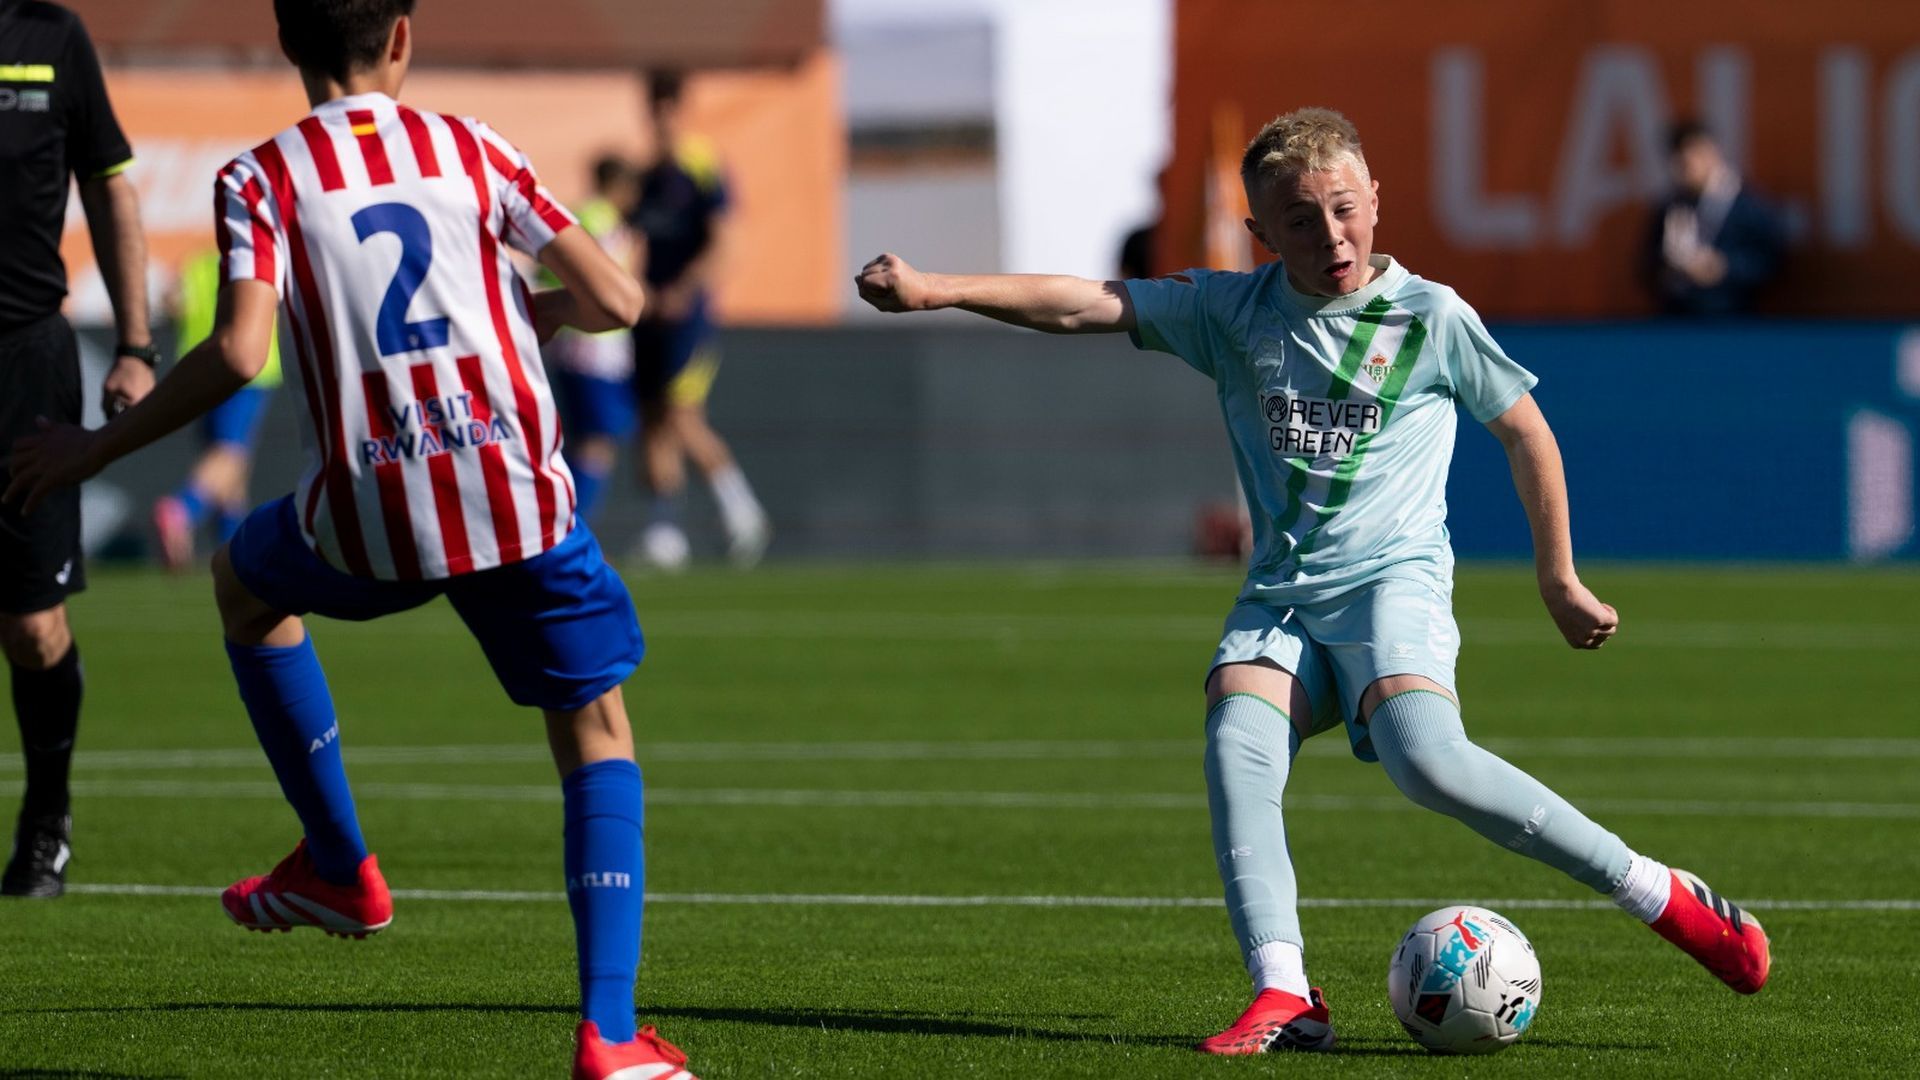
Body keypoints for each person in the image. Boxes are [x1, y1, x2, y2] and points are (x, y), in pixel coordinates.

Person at [856, 107, 1770, 1055]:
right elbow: (1088, 301)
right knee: (1236, 740)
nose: (1329, 235)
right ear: (1261, 232)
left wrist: (1558, 577)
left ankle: (1664, 896)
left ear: (1376, 200)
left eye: (1343, 209)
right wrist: (936, 290)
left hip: (1391, 589)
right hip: (1283, 597)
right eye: (1299, 219)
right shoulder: (1232, 310)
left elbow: (1525, 429)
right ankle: (1287, 993)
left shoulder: (1432, 316)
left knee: (1429, 761)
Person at [4, 3, 696, 1077]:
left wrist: (93, 451)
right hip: (510, 498)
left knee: (243, 584)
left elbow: (238, 354)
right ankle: (609, 1036)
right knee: (595, 731)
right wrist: (543, 314)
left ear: (289, 44)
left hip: (366, 514)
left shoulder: (262, 177)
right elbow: (620, 297)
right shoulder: (471, 148)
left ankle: (339, 865)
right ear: (404, 38)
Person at [0, 0, 157, 898]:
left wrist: (136, 343)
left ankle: (46, 820)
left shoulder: (52, 39)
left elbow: (109, 182)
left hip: (24, 366)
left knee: (29, 625)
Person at [629, 71, 769, 570]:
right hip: (648, 315)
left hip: (688, 316)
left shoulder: (703, 166)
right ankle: (664, 532)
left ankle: (741, 510)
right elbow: (631, 243)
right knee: (651, 422)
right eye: (654, 105)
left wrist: (685, 289)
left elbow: (725, 241)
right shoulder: (644, 176)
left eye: (669, 105)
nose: (661, 116)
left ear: (681, 108)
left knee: (681, 415)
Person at [151, 247, 284, 569]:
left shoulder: (193, 265)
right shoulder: (256, 258)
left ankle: (231, 550)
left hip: (201, 367)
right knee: (230, 455)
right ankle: (182, 509)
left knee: (230, 467)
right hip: (250, 369)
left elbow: (170, 306)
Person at [542, 155, 642, 524]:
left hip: (570, 343)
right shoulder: (603, 223)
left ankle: (566, 522)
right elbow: (609, 289)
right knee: (596, 443)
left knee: (583, 441)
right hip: (594, 347)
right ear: (621, 186)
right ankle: (571, 525)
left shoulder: (574, 214)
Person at [1640, 120, 1787, 316]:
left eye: (1690, 159)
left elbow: (1772, 262)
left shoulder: (1748, 206)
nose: (1684, 168)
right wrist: (1669, 269)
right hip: (1675, 320)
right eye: (1678, 161)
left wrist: (1724, 267)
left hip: (1732, 321)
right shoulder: (1670, 207)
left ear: (1711, 153)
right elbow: (1645, 265)